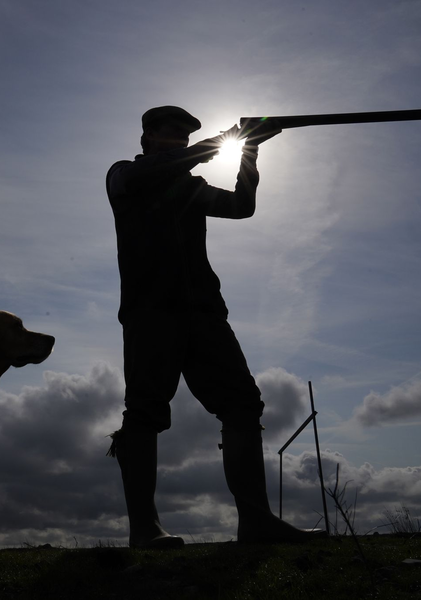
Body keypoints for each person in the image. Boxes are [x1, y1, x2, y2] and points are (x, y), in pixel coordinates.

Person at [106, 106, 322, 547]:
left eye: (184, 138)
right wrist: (220, 142)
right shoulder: (123, 175)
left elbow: (241, 207)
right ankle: (144, 530)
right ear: (147, 137)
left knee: (243, 404)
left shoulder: (190, 188)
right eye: (170, 135)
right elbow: (152, 174)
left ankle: (256, 522)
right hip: (151, 312)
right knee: (145, 411)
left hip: (204, 311)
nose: (179, 143)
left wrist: (248, 153)